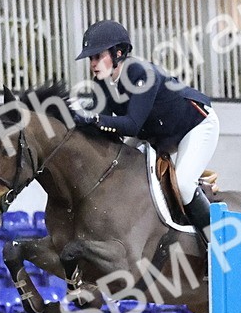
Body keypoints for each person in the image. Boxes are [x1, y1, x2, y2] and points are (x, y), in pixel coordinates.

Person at [69, 20, 218, 239]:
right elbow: (107, 130)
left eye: (98, 56)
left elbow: (130, 125)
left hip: (195, 126)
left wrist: (91, 117)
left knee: (184, 184)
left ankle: (215, 245)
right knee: (118, 168)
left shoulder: (140, 73)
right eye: (91, 58)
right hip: (158, 135)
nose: (93, 63)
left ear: (118, 53)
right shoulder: (101, 83)